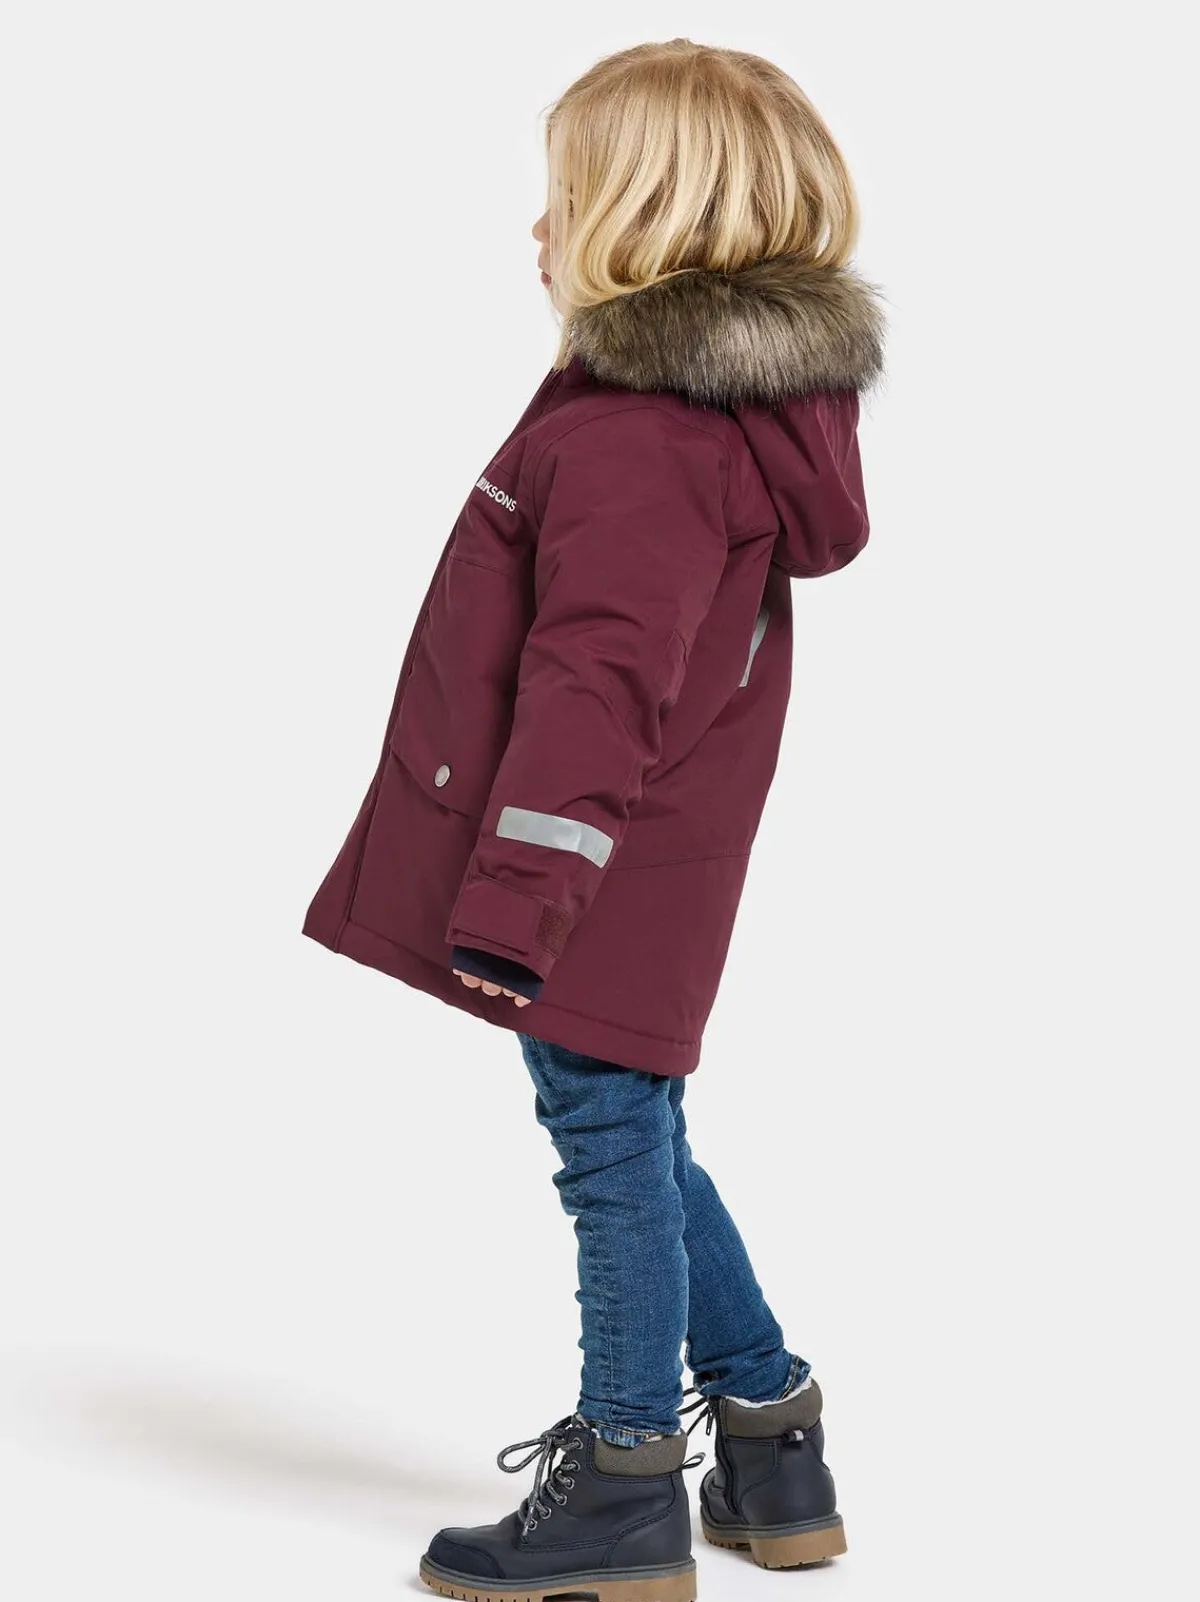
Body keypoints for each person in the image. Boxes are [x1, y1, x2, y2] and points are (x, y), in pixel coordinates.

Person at [304, 37, 884, 1602]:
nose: (539, 229)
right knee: (639, 1127)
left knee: (610, 1145)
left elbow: (595, 688)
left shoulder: (642, 436)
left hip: (594, 869)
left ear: (648, 219)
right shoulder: (708, 423)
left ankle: (629, 1479)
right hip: (646, 858)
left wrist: (517, 900)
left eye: (563, 198)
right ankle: (771, 1434)